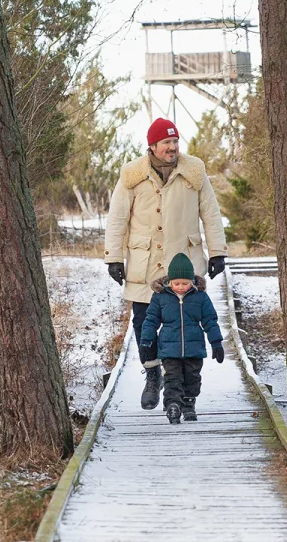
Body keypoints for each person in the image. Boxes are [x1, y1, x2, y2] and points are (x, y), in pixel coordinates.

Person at [104, 117, 228, 410]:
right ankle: (152, 375)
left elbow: (210, 213)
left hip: (183, 263)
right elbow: (117, 218)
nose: (172, 148)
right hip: (145, 265)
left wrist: (217, 252)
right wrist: (113, 257)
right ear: (153, 146)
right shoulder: (132, 176)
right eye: (166, 143)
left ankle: (184, 388)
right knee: (143, 323)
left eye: (175, 142)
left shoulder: (194, 172)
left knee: (186, 325)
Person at [139, 254, 225, 424]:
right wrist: (146, 341)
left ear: (192, 281)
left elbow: (210, 320)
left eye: (185, 284)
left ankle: (189, 405)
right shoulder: (160, 297)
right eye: (176, 283)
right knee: (172, 378)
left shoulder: (200, 297)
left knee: (192, 378)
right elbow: (150, 320)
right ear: (169, 282)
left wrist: (216, 342)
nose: (180, 287)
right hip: (169, 349)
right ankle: (173, 405)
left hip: (194, 348)